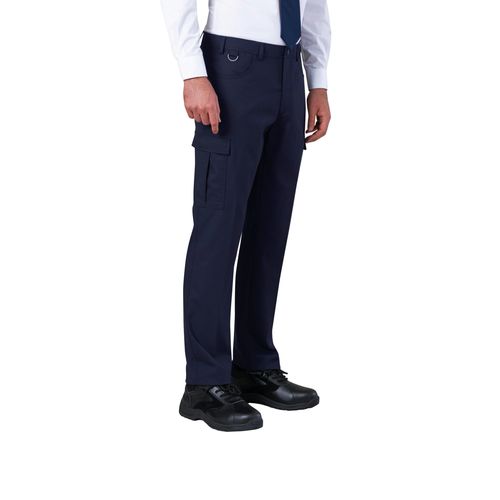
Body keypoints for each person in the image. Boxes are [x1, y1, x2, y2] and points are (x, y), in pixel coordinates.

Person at [161, 0, 331, 431]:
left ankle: (254, 365)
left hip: (288, 71)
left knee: (269, 229)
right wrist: (193, 72)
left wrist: (318, 80)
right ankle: (204, 383)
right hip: (231, 67)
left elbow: (314, 5)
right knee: (218, 229)